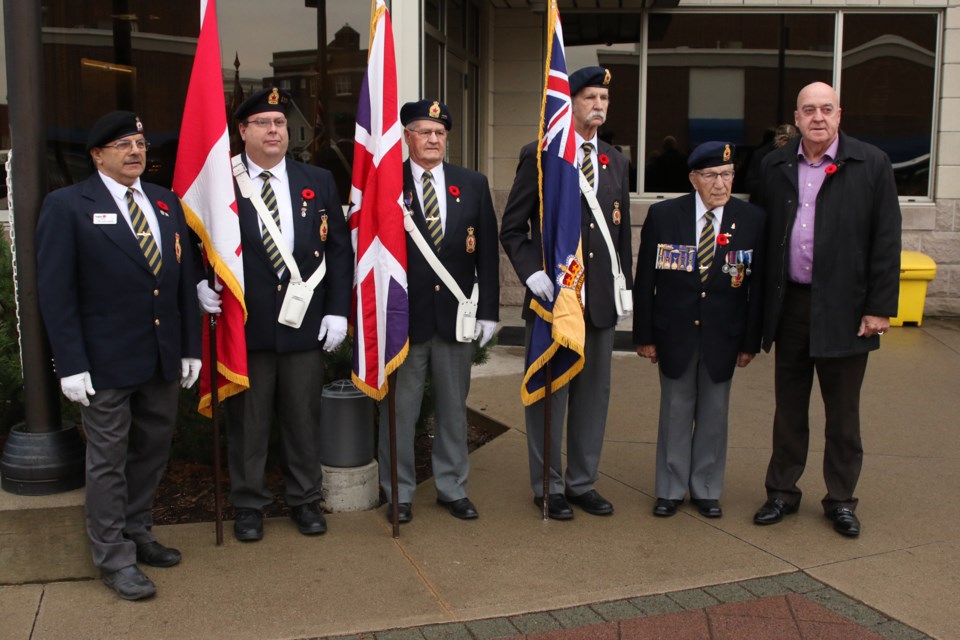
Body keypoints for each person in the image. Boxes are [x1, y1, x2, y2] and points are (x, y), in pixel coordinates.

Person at [36, 111, 202, 600]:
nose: (135, 151)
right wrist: (69, 363)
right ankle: (112, 556)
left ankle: (138, 530)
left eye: (140, 143)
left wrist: (189, 347)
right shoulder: (67, 206)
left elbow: (180, 282)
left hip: (160, 356)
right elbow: (56, 292)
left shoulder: (165, 202)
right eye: (123, 144)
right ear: (97, 154)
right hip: (103, 362)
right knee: (108, 460)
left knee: (151, 451)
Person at [196, 87, 353, 542]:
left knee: (303, 419)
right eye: (263, 123)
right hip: (246, 326)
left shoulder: (317, 179)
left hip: (305, 325)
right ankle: (249, 506)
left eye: (280, 123)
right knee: (249, 423)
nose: (273, 131)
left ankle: (305, 500)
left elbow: (339, 251)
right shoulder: (220, 182)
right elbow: (192, 243)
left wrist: (337, 312)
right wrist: (197, 285)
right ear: (242, 130)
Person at [753, 82, 901, 537]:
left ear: (840, 115)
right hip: (791, 305)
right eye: (809, 110)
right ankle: (781, 492)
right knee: (789, 408)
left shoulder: (870, 163)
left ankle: (840, 499)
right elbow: (760, 239)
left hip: (846, 309)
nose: (818, 117)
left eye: (827, 109)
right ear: (796, 119)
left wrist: (879, 307)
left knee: (842, 414)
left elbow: (886, 240)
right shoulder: (774, 165)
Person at [501, 66, 632, 520]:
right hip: (555, 299)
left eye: (604, 98)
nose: (599, 105)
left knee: (593, 398)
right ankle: (547, 486)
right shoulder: (541, 155)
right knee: (549, 395)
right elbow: (513, 227)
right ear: (569, 102)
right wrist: (531, 272)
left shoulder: (617, 160)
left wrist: (622, 289)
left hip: (597, 304)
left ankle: (581, 482)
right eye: (590, 97)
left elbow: (619, 236)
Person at [378, 99, 499, 524]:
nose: (433, 139)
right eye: (424, 131)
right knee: (402, 411)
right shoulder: (388, 183)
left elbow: (486, 252)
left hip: (456, 317)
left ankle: (452, 487)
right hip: (405, 321)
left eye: (440, 133)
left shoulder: (472, 183)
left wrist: (489, 311)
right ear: (407, 137)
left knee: (453, 407)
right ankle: (399, 491)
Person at [633, 141, 765, 519]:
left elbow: (755, 287)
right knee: (675, 409)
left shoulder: (752, 219)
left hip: (725, 335)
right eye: (710, 176)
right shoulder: (664, 216)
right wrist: (644, 335)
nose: (720, 184)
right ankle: (671, 488)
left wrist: (750, 341)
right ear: (693, 179)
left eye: (727, 175)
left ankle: (706, 487)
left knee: (714, 413)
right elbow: (646, 282)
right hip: (674, 332)